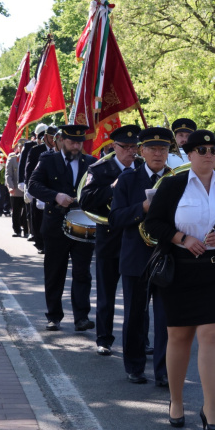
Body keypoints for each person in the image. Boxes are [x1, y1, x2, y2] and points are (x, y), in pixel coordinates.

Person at [144, 129, 215, 430]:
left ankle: (210, 409)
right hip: (181, 270)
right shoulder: (174, 185)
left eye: (213, 150)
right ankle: (176, 401)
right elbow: (153, 223)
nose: (209, 155)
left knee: (213, 337)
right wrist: (183, 238)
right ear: (189, 155)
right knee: (180, 337)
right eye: (201, 150)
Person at [109, 127, 175, 386]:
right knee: (135, 316)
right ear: (142, 151)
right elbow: (114, 219)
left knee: (166, 319)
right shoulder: (127, 179)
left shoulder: (176, 179)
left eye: (164, 149)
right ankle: (135, 366)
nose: (158, 154)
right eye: (153, 149)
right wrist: (143, 208)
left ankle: (164, 371)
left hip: (168, 257)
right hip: (136, 258)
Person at [79, 125, 143, 357]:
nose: (130, 152)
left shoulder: (143, 169)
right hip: (109, 238)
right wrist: (112, 187)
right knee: (106, 293)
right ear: (113, 147)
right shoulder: (100, 169)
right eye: (124, 147)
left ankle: (140, 340)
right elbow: (85, 200)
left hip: (137, 239)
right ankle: (104, 338)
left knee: (138, 296)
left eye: (134, 147)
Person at [27, 125, 97, 332]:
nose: (76, 146)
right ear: (61, 141)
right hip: (55, 225)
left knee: (82, 273)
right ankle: (53, 316)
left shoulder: (91, 162)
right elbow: (33, 185)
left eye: (79, 142)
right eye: (71, 142)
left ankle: (81, 317)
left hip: (83, 226)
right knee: (54, 272)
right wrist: (55, 196)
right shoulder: (48, 160)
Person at [25, 126, 59, 254]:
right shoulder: (36, 150)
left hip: (53, 187)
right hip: (38, 186)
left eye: (55, 137)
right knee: (37, 216)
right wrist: (28, 187)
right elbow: (28, 169)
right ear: (45, 138)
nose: (53, 140)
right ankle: (40, 243)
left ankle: (50, 241)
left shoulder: (60, 150)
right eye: (51, 137)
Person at [5, 142, 28, 238]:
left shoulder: (30, 157)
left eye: (24, 147)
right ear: (18, 148)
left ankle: (27, 230)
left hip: (27, 191)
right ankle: (17, 230)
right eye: (20, 147)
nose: (22, 149)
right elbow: (8, 174)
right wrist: (10, 186)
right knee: (16, 212)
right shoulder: (13, 158)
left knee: (27, 212)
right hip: (15, 190)